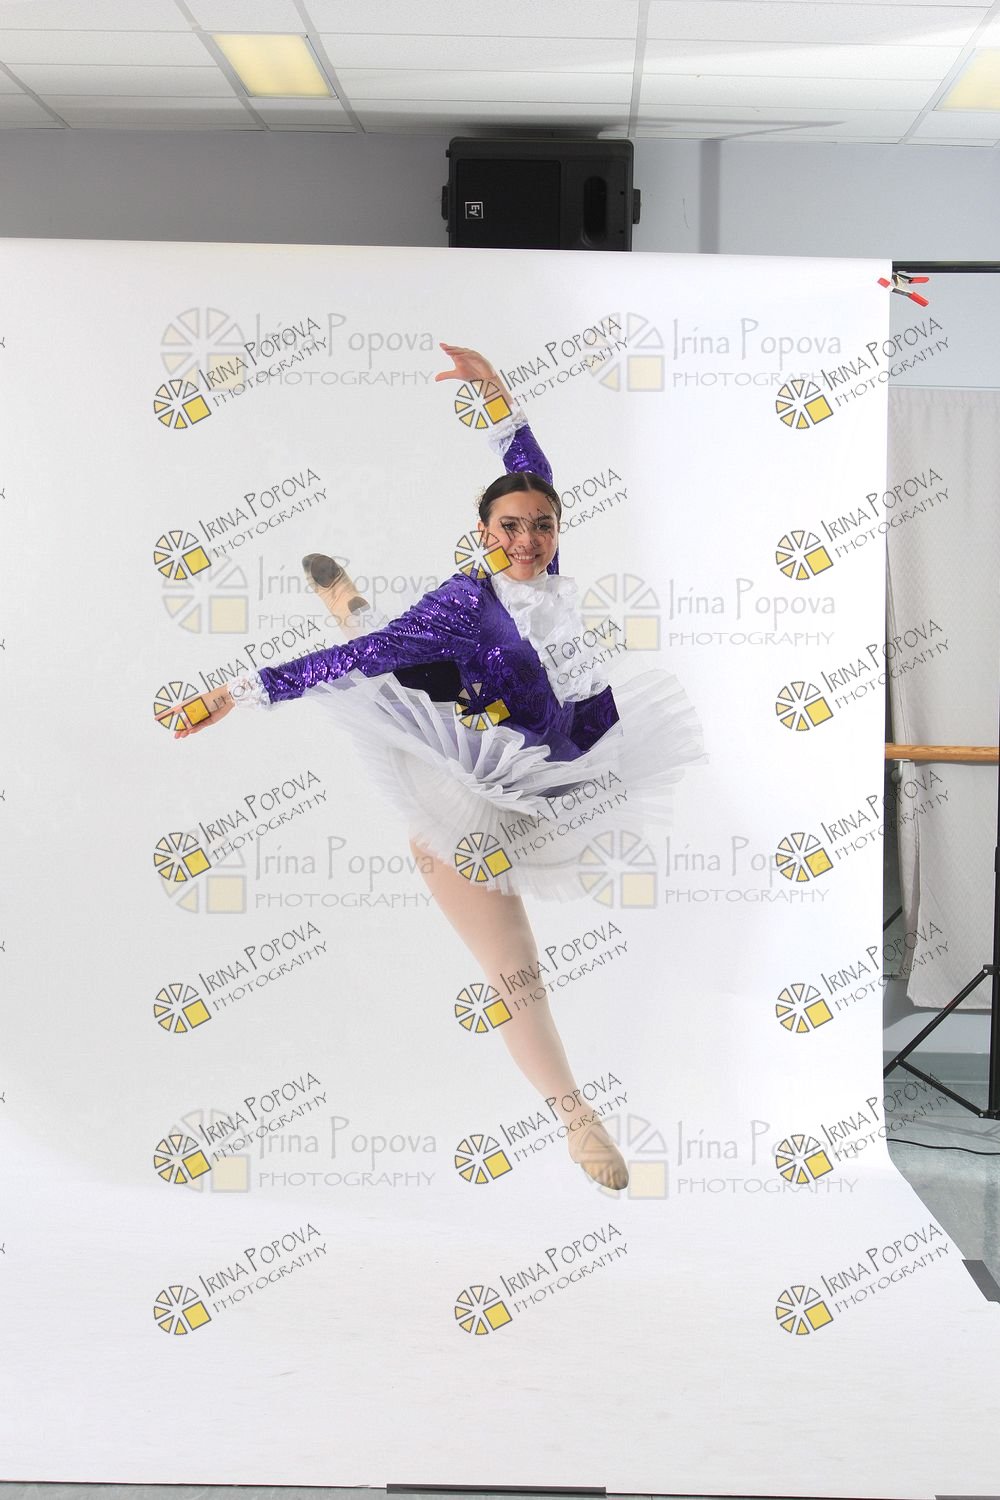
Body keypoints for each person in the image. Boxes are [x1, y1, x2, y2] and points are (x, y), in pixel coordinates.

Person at [174, 344, 704, 1190]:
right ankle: (576, 1116)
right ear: (483, 534)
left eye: (542, 526)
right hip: (465, 781)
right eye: (509, 528)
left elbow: (529, 469)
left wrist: (499, 400)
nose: (527, 540)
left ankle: (349, 599)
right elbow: (363, 663)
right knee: (512, 960)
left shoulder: (548, 576)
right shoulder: (463, 600)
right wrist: (237, 691)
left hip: (552, 770)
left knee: (396, 654)